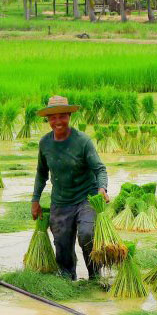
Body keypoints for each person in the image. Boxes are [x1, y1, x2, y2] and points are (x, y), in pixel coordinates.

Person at [31, 96, 109, 280]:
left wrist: (102, 188)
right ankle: (68, 279)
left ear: (69, 116)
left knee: (86, 234)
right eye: (53, 117)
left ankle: (95, 276)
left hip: (86, 198)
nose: (58, 121)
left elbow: (100, 169)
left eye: (62, 116)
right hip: (61, 201)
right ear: (48, 120)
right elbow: (41, 173)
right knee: (62, 245)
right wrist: (35, 200)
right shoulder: (45, 144)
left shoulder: (82, 141)